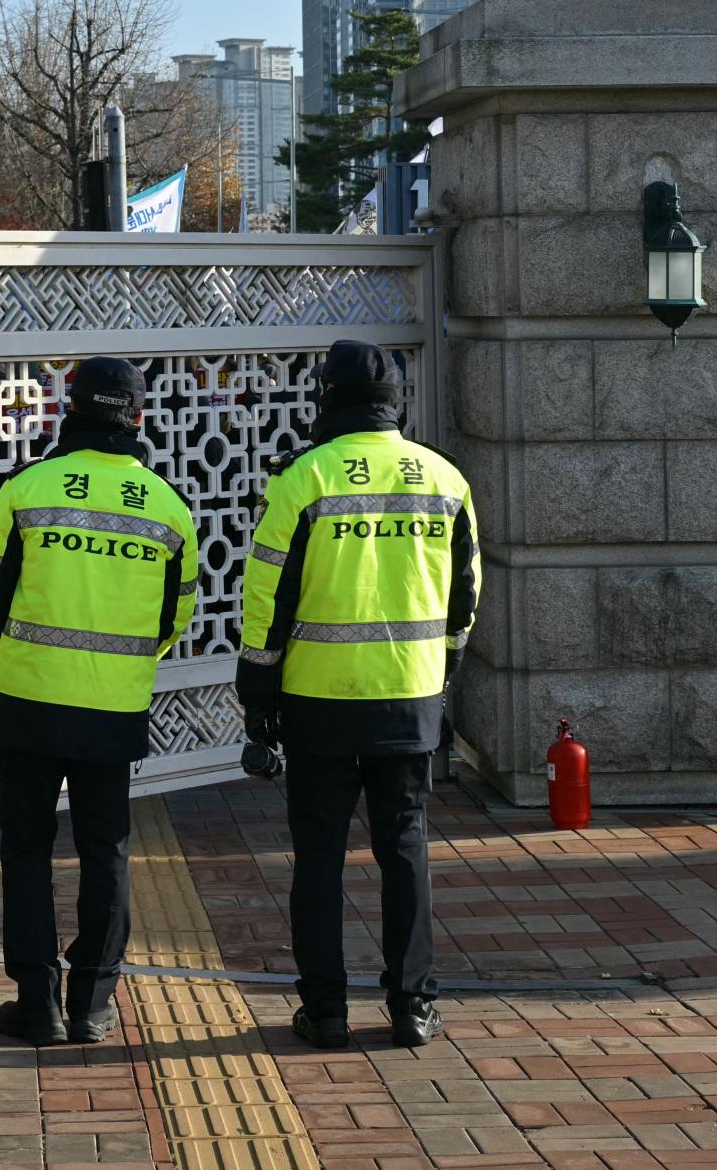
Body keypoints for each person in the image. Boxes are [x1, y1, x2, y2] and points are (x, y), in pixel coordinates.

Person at [236, 340, 478, 1052]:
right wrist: (443, 672)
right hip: (409, 698)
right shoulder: (444, 478)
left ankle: (327, 1010)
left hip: (319, 700)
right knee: (405, 850)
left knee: (319, 860)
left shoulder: (303, 479)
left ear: (326, 398)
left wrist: (259, 696)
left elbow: (266, 601)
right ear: (395, 400)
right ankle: (413, 1007)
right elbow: (465, 599)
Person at [0, 357, 196, 1047]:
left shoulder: (27, 488)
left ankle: (37, 1002)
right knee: (106, 850)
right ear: (138, 417)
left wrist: (15, 652)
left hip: (29, 697)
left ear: (67, 410)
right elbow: (176, 616)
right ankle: (94, 1002)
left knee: (27, 848)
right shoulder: (166, 505)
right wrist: (125, 666)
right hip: (112, 707)